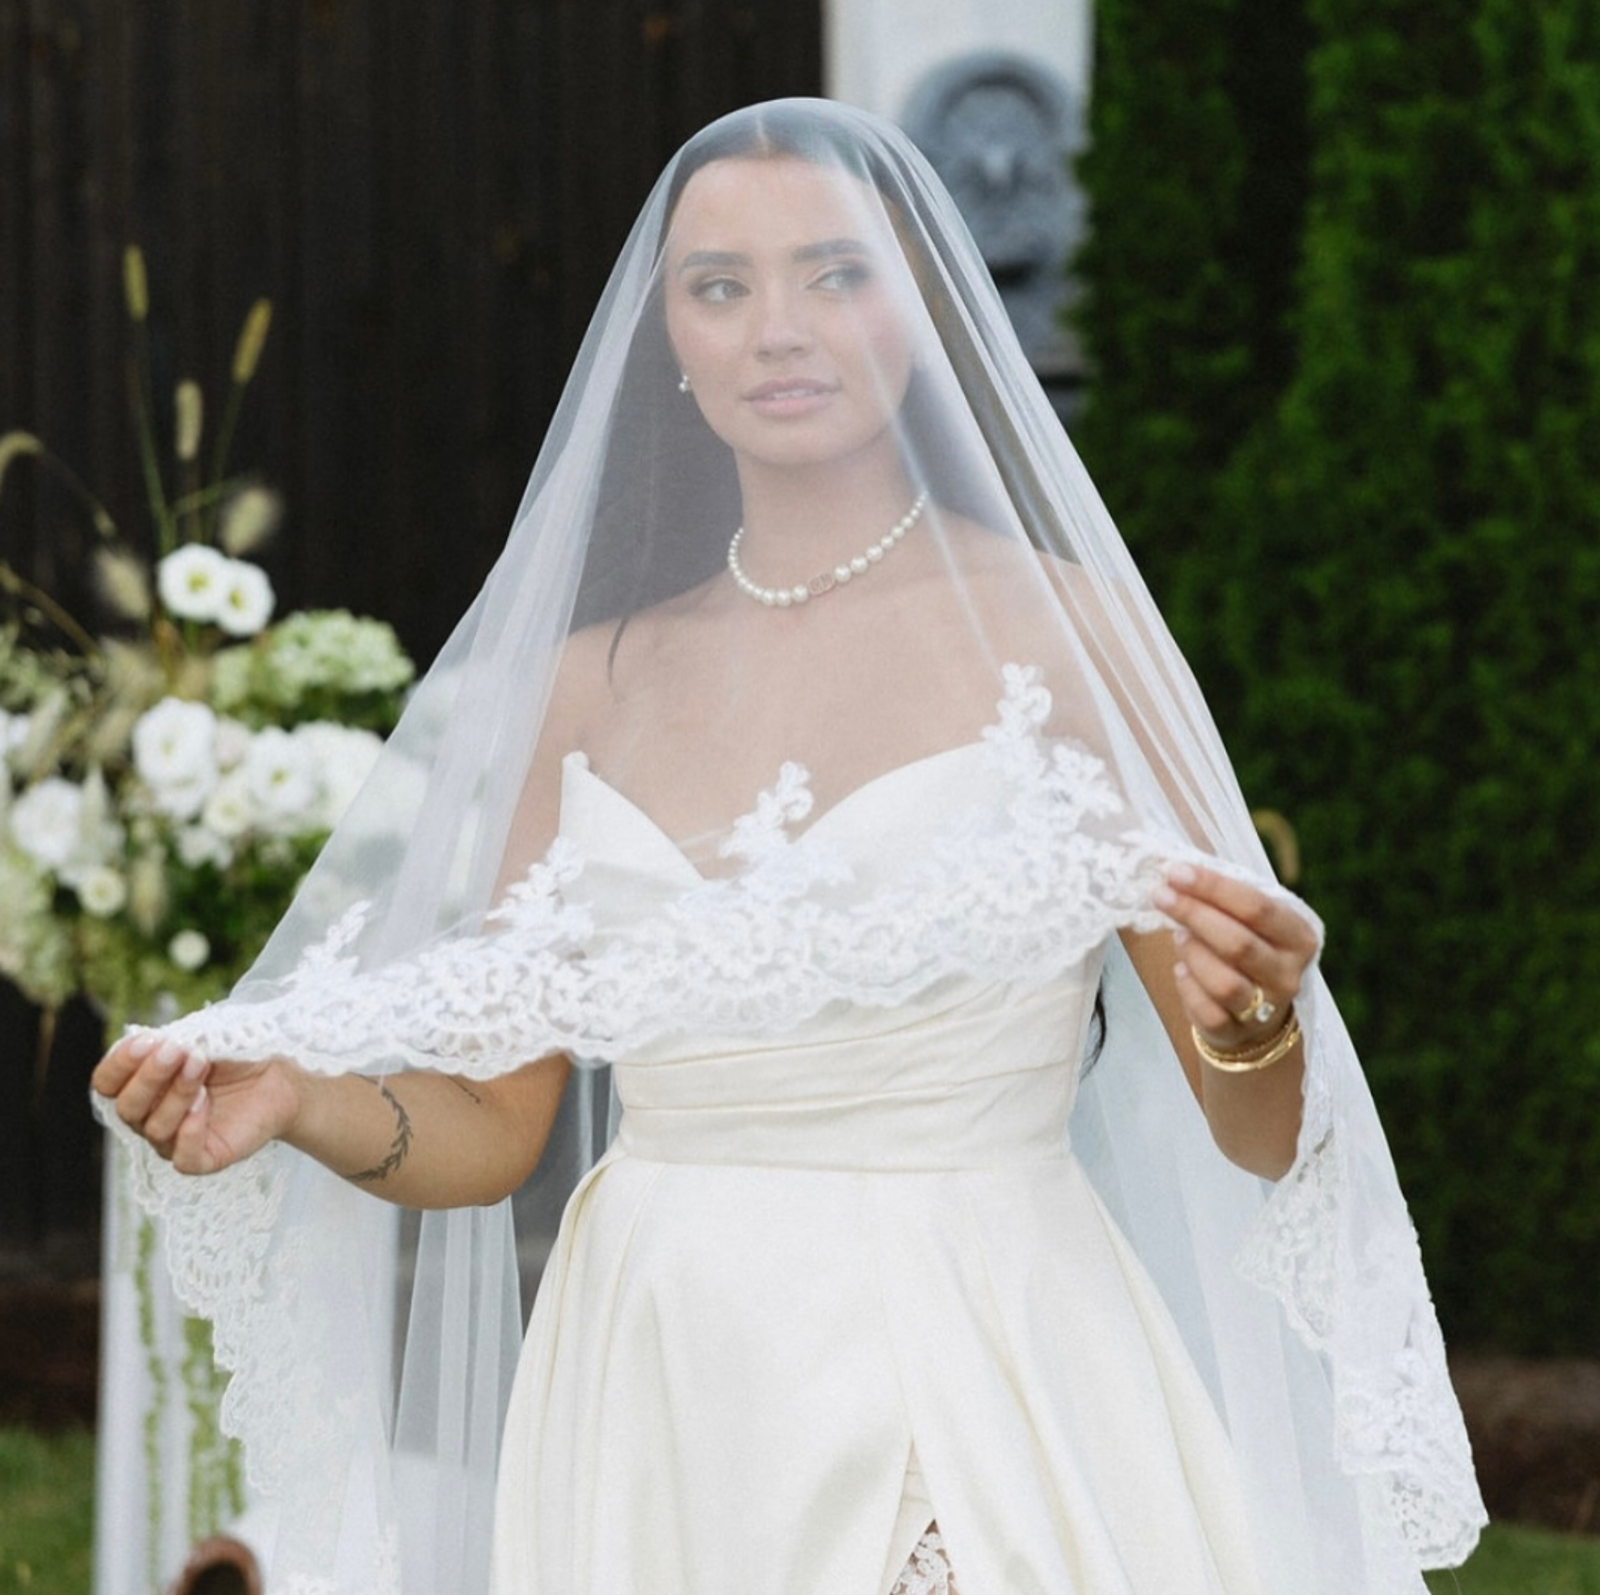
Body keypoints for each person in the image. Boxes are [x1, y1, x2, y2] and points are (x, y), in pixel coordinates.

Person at [93, 100, 1483, 1595]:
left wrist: (1260, 1018)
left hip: (984, 1350)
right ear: (672, 346)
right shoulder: (589, 685)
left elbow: (1254, 1128)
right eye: (720, 286)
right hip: (662, 1378)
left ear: (924, 309)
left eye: (834, 273)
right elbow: (498, 1127)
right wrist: (300, 1098)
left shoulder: (1066, 636)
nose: (777, 328)